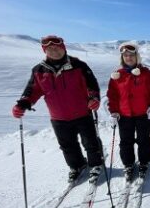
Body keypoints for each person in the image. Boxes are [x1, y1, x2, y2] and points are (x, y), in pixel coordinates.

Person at [11, 35, 104, 182]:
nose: (54, 50)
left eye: (57, 47)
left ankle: (96, 164)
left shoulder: (79, 65)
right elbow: (32, 91)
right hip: (58, 117)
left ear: (63, 48)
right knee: (67, 145)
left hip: (82, 113)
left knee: (90, 142)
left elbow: (91, 84)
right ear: (44, 51)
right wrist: (22, 103)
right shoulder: (38, 70)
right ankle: (77, 166)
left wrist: (94, 98)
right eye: (50, 49)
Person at [107, 41, 150, 182]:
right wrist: (113, 111)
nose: (128, 58)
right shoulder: (117, 75)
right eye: (125, 56)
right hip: (124, 115)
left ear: (137, 57)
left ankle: (144, 162)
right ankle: (128, 164)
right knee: (126, 141)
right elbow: (112, 96)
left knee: (143, 140)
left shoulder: (147, 74)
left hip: (143, 114)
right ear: (122, 58)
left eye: (131, 55)